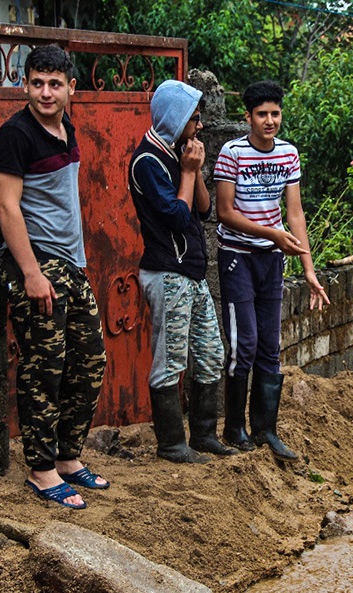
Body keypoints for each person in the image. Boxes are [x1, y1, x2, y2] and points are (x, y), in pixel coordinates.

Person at [0, 44, 108, 510]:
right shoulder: (15, 135)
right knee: (44, 369)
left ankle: (66, 458)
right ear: (25, 84)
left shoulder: (65, 129)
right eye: (37, 82)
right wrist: (31, 274)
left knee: (90, 361)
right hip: (37, 265)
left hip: (68, 265)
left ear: (70, 88)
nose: (45, 92)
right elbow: (6, 206)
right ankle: (40, 471)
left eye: (55, 84)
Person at [214, 80, 329, 461]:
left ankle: (266, 430)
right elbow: (225, 213)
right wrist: (271, 233)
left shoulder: (288, 154)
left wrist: (308, 268)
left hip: (272, 259)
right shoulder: (232, 153)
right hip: (237, 258)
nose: (269, 120)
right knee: (243, 344)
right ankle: (234, 428)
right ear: (247, 117)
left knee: (269, 346)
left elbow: (294, 213)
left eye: (275, 113)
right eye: (261, 114)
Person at [128, 80, 236, 462]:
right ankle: (172, 444)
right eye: (194, 118)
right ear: (175, 119)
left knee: (210, 353)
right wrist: (188, 173)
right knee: (170, 360)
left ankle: (204, 435)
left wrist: (196, 168)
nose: (200, 126)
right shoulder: (147, 162)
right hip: (167, 274)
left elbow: (203, 211)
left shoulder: (177, 154)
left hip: (191, 274)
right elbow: (175, 217)